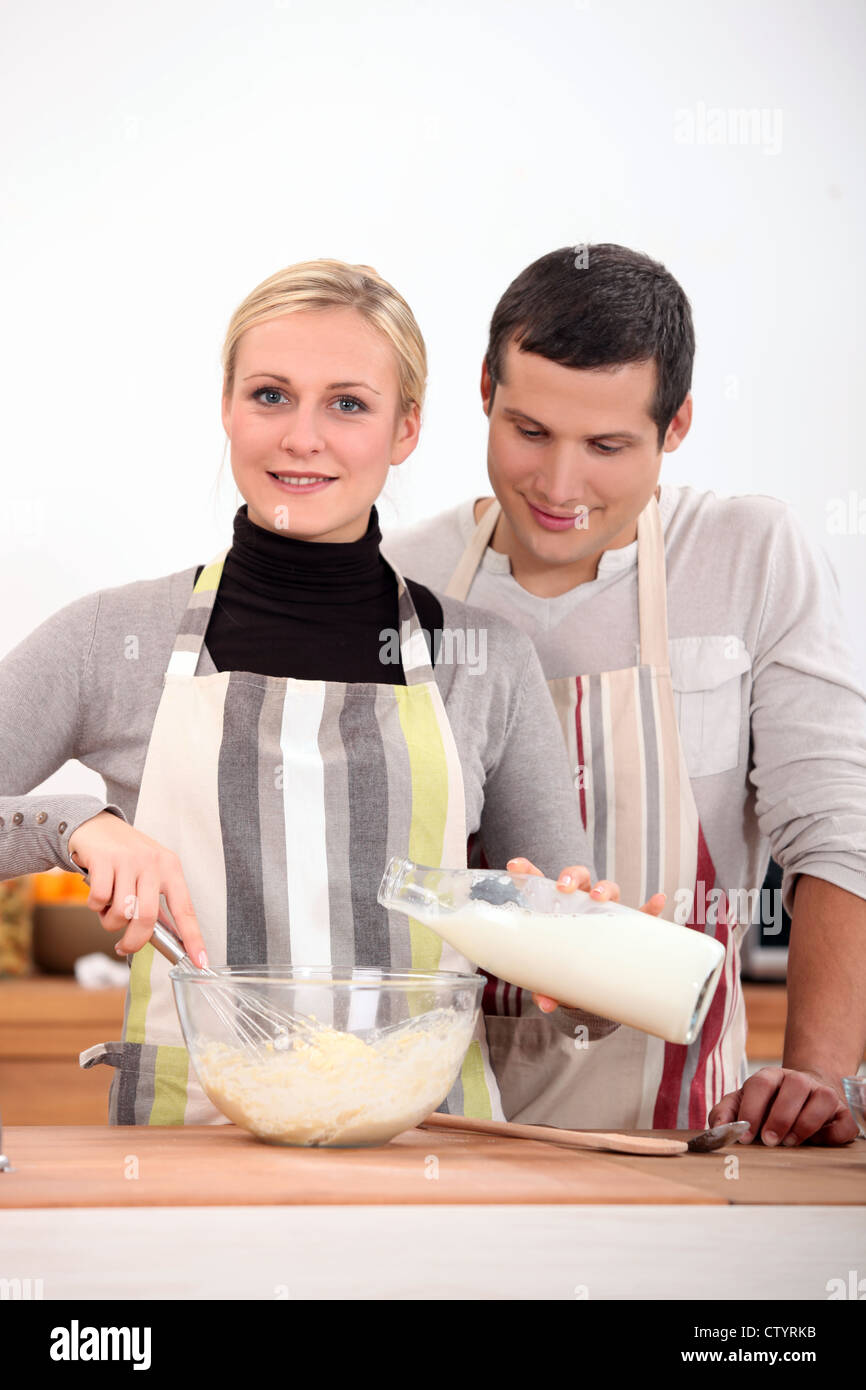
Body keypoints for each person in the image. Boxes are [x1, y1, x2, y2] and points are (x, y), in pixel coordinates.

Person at [0, 257, 656, 1128]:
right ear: (227, 407)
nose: (302, 437)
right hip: (188, 1159)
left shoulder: (486, 662)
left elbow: (579, 1002)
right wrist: (74, 825)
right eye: (271, 395)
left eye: (348, 404)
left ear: (406, 427)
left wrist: (597, 969)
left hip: (430, 1155)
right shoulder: (113, 639)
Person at [382, 243, 866, 1145]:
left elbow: (839, 832)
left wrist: (812, 1079)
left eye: (607, 446)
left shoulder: (748, 555)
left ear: (675, 425)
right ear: (484, 389)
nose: (559, 486)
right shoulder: (398, 577)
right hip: (432, 1132)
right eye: (529, 432)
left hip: (681, 1134)